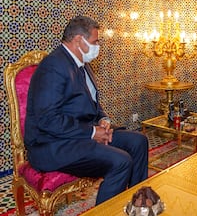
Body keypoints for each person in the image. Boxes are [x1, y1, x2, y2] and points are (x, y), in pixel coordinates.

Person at [24, 15, 149, 205]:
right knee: (121, 161)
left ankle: (138, 204)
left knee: (139, 141)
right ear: (78, 40)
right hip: (53, 145)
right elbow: (48, 120)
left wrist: (103, 119)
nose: (98, 46)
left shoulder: (81, 64)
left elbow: (90, 104)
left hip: (79, 135)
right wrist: (92, 133)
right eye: (95, 41)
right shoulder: (53, 66)